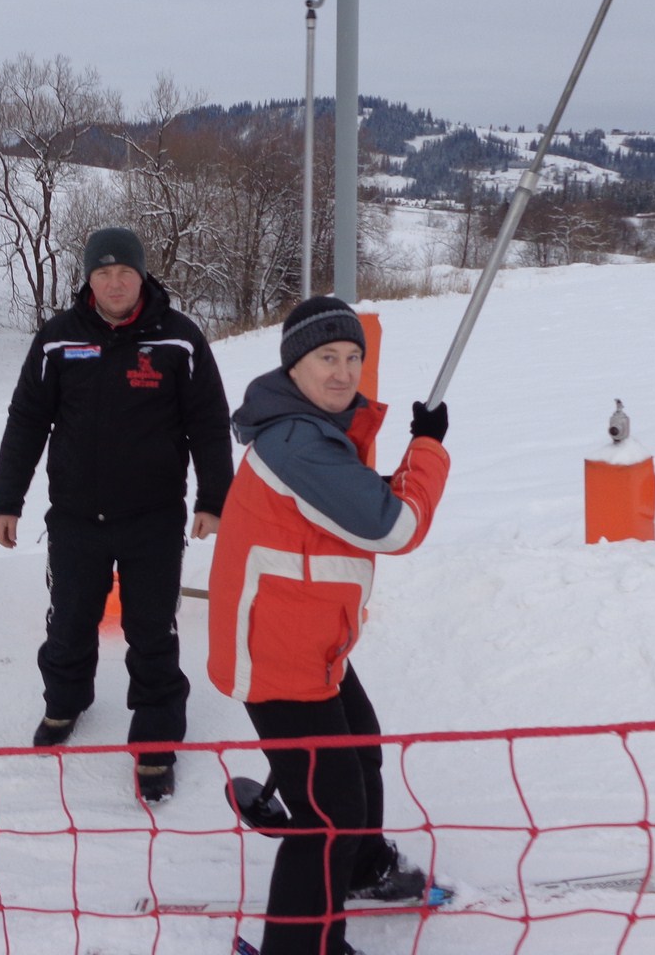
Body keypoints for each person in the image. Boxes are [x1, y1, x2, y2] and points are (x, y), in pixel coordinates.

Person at [206, 296, 451, 955]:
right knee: (327, 817)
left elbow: (347, 504)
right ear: (294, 367)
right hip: (277, 653)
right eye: (326, 358)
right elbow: (394, 527)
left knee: (360, 747)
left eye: (351, 358)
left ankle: (363, 869)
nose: (342, 373)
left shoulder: (311, 428)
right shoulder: (295, 441)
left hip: (310, 638)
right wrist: (427, 449)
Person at [0, 226, 233, 802]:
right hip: (75, 516)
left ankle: (156, 736)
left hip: (153, 518)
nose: (115, 282)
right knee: (69, 621)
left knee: (152, 631)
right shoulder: (59, 338)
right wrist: (6, 500)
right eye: (103, 272)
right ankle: (64, 703)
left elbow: (207, 421)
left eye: (125, 271)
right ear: (88, 279)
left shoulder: (179, 339)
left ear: (143, 275)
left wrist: (213, 498)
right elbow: (27, 420)